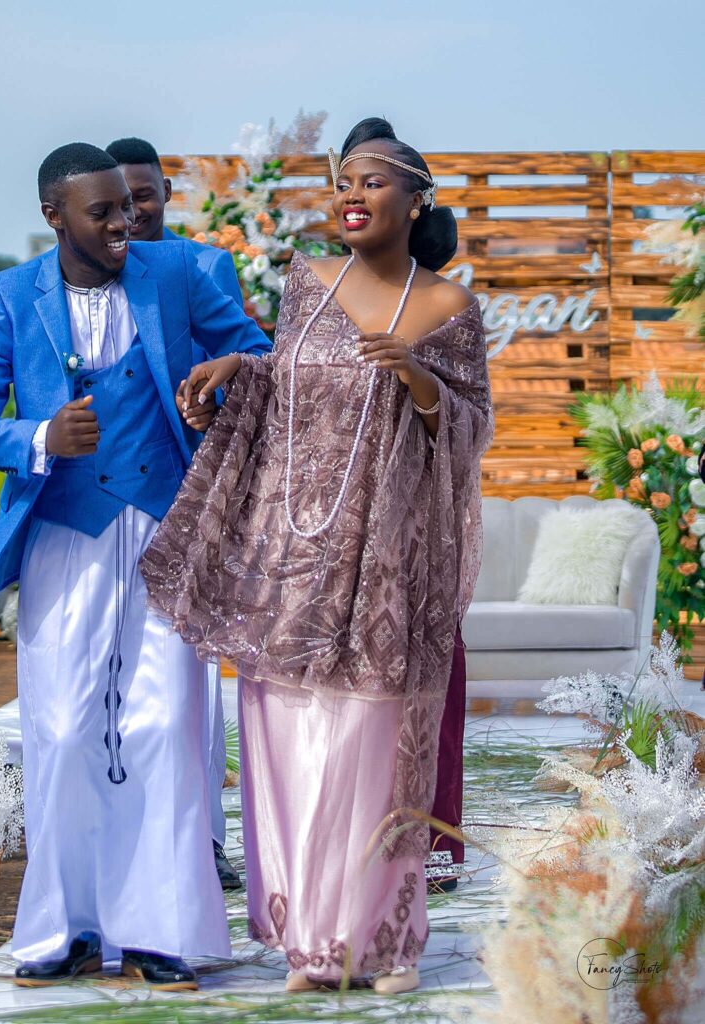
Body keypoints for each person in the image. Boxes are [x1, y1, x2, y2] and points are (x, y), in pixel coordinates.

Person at [140, 118, 494, 994]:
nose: (352, 194)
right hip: (293, 553)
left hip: (389, 561)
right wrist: (238, 367)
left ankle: (389, 944)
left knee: (378, 744)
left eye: (373, 182)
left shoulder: (449, 308)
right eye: (344, 180)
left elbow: (474, 424)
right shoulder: (308, 282)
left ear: (415, 201)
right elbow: (292, 379)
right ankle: (311, 945)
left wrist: (417, 377)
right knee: (292, 738)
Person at [0, 143, 271, 989]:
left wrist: (223, 379)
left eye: (130, 206)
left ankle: (159, 930)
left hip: (165, 526)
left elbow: (269, 367)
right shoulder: (11, 298)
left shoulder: (186, 272)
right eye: (105, 212)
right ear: (55, 216)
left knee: (163, 727)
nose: (126, 222)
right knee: (61, 729)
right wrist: (40, 439)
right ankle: (67, 927)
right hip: (63, 532)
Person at [105, 135, 241, 890]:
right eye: (121, 197)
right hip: (107, 504)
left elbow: (240, 361)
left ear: (164, 192)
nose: (135, 208)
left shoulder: (199, 266)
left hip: (192, 493)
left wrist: (208, 397)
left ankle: (206, 838)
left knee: (193, 682)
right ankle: (128, 828)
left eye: (145, 193)